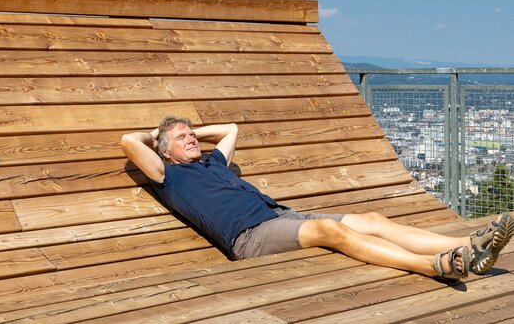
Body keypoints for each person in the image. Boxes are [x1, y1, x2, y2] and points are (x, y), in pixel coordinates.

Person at [120, 116, 514, 280]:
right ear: (164, 150)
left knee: (373, 220)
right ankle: (433, 265)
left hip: (280, 216)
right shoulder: (169, 175)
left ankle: (470, 243)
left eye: (193, 135)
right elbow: (128, 141)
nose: (192, 139)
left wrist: (190, 131)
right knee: (328, 228)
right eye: (183, 137)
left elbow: (231, 129)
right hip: (249, 237)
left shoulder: (213, 164)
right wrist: (160, 138)